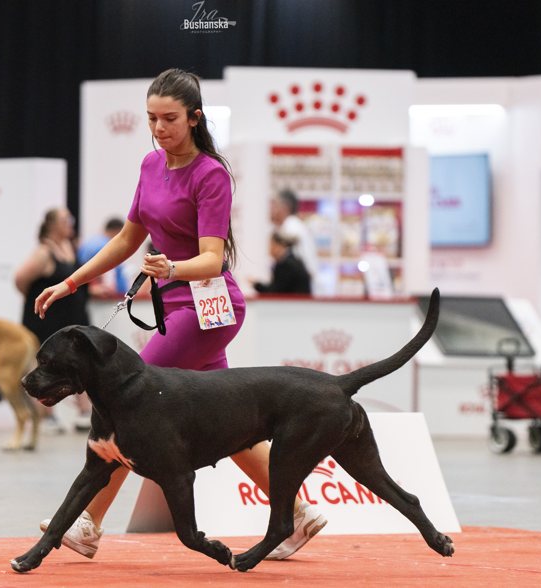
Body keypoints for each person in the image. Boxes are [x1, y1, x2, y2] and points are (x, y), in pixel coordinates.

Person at [34, 68, 326, 561]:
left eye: (169, 118)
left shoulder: (211, 174)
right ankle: (298, 512)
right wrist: (71, 281)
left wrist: (171, 267)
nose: (159, 128)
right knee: (233, 426)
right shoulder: (150, 165)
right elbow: (128, 239)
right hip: (176, 307)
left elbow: (212, 258)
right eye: (151, 118)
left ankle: (88, 523)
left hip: (210, 308)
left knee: (128, 402)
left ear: (194, 118)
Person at [14, 207, 92, 432]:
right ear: (52, 225)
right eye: (65, 219)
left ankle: (84, 411)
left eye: (70, 218)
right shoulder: (43, 252)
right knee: (46, 365)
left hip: (73, 318)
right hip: (47, 320)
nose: (70, 222)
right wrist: (37, 300)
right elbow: (20, 279)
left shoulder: (70, 246)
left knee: (80, 363)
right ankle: (47, 415)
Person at [269, 189, 320, 282]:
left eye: (274, 205)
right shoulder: (289, 226)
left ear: (285, 207)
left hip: (298, 291)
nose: (271, 209)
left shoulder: (292, 228)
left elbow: (302, 267)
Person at [77, 217, 129, 297]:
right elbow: (108, 277)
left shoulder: (91, 242)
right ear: (117, 231)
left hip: (88, 292)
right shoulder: (106, 246)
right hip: (106, 298)